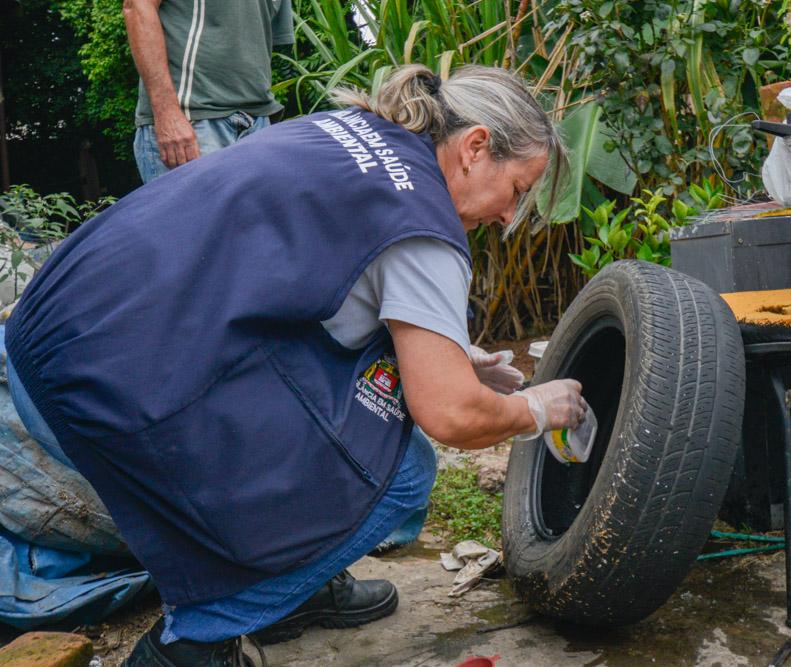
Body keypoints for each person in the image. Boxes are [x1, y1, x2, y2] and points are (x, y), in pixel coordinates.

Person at [4, 64, 585, 666]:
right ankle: (196, 642)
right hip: (95, 392)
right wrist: (536, 408)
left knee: (372, 395)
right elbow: (452, 415)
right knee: (402, 471)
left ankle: (291, 591)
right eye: (517, 190)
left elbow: (291, 281)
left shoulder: (347, 131)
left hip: (41, 337)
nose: (507, 217)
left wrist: (448, 350)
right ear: (475, 147)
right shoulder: (427, 227)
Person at [123, 0, 294, 183]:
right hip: (192, 122)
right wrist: (167, 114)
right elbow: (137, 6)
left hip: (258, 123)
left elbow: (257, 41)